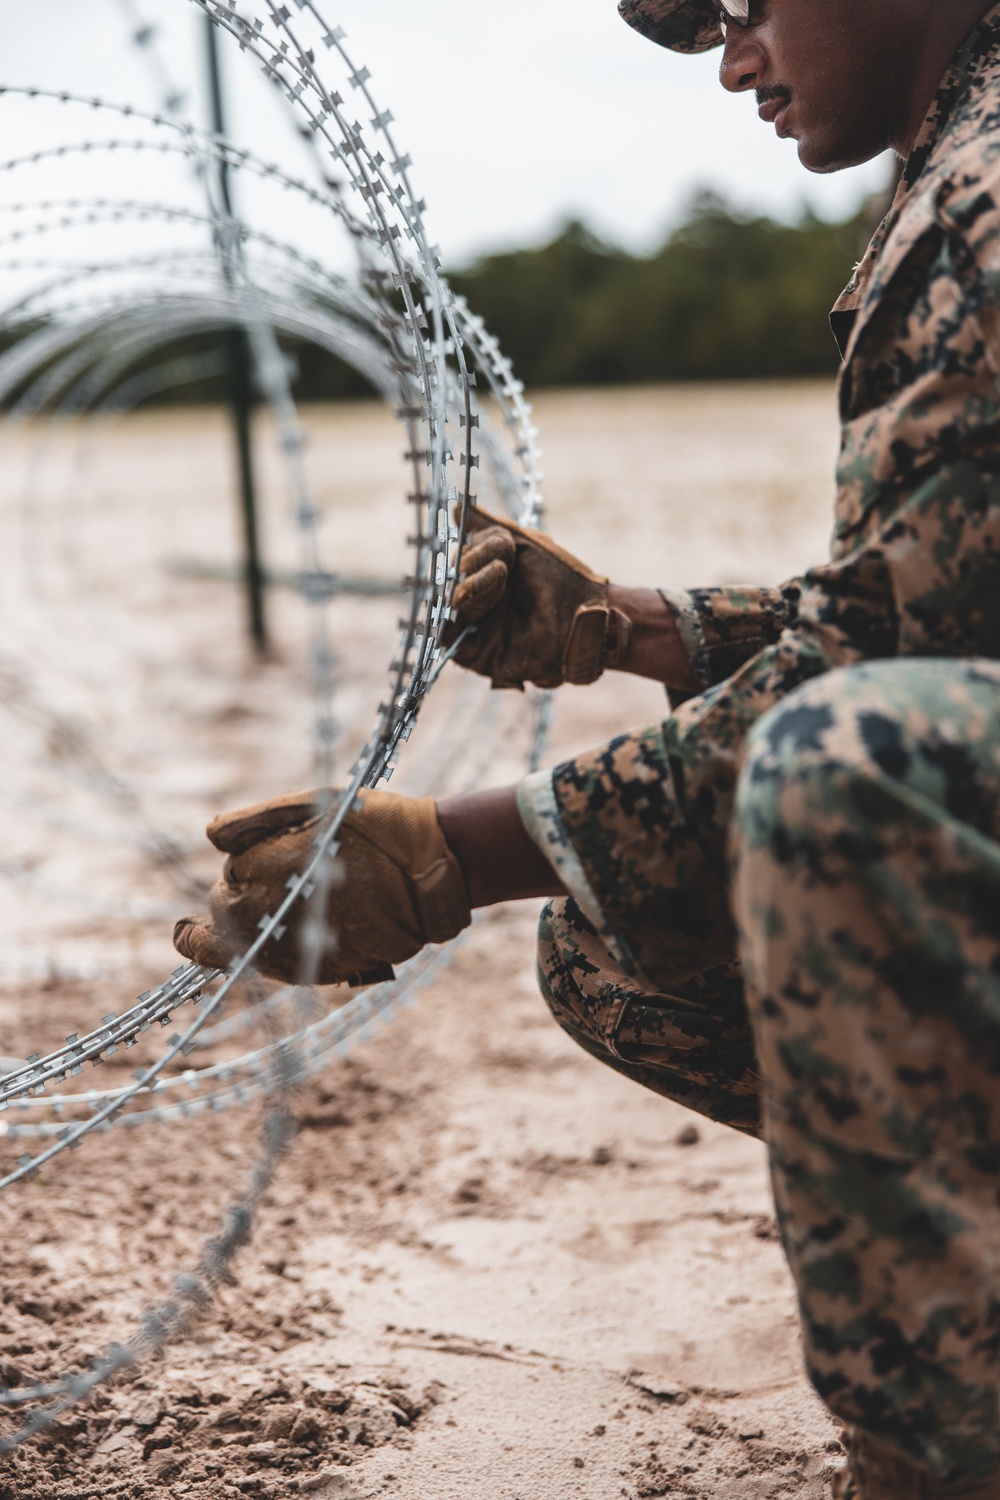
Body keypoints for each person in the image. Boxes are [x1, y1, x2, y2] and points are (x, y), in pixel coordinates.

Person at [174, 1, 1000, 1494]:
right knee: (622, 943)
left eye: (745, 8)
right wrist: (627, 629)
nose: (736, 62)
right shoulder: (954, 160)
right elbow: (938, 603)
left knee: (841, 769)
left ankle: (945, 1454)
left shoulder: (983, 203)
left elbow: (892, 677)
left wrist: (452, 858)